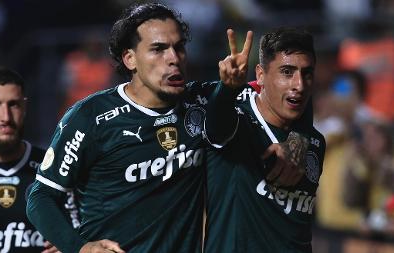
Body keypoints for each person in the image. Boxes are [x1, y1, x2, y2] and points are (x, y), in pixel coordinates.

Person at [25, 3, 254, 253]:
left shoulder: (204, 101)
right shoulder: (90, 116)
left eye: (179, 47)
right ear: (130, 58)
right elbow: (41, 198)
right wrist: (80, 248)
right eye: (158, 49)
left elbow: (275, 101)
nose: (174, 59)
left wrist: (293, 140)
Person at [204, 27, 326, 252]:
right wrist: (227, 89)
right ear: (260, 75)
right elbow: (216, 126)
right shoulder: (239, 123)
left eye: (307, 73)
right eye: (287, 72)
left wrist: (301, 135)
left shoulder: (315, 141)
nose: (299, 84)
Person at [0, 66, 64, 252]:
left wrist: (72, 244)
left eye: (13, 104)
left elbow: (87, 228)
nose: (5, 117)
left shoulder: (53, 168)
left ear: (24, 107)